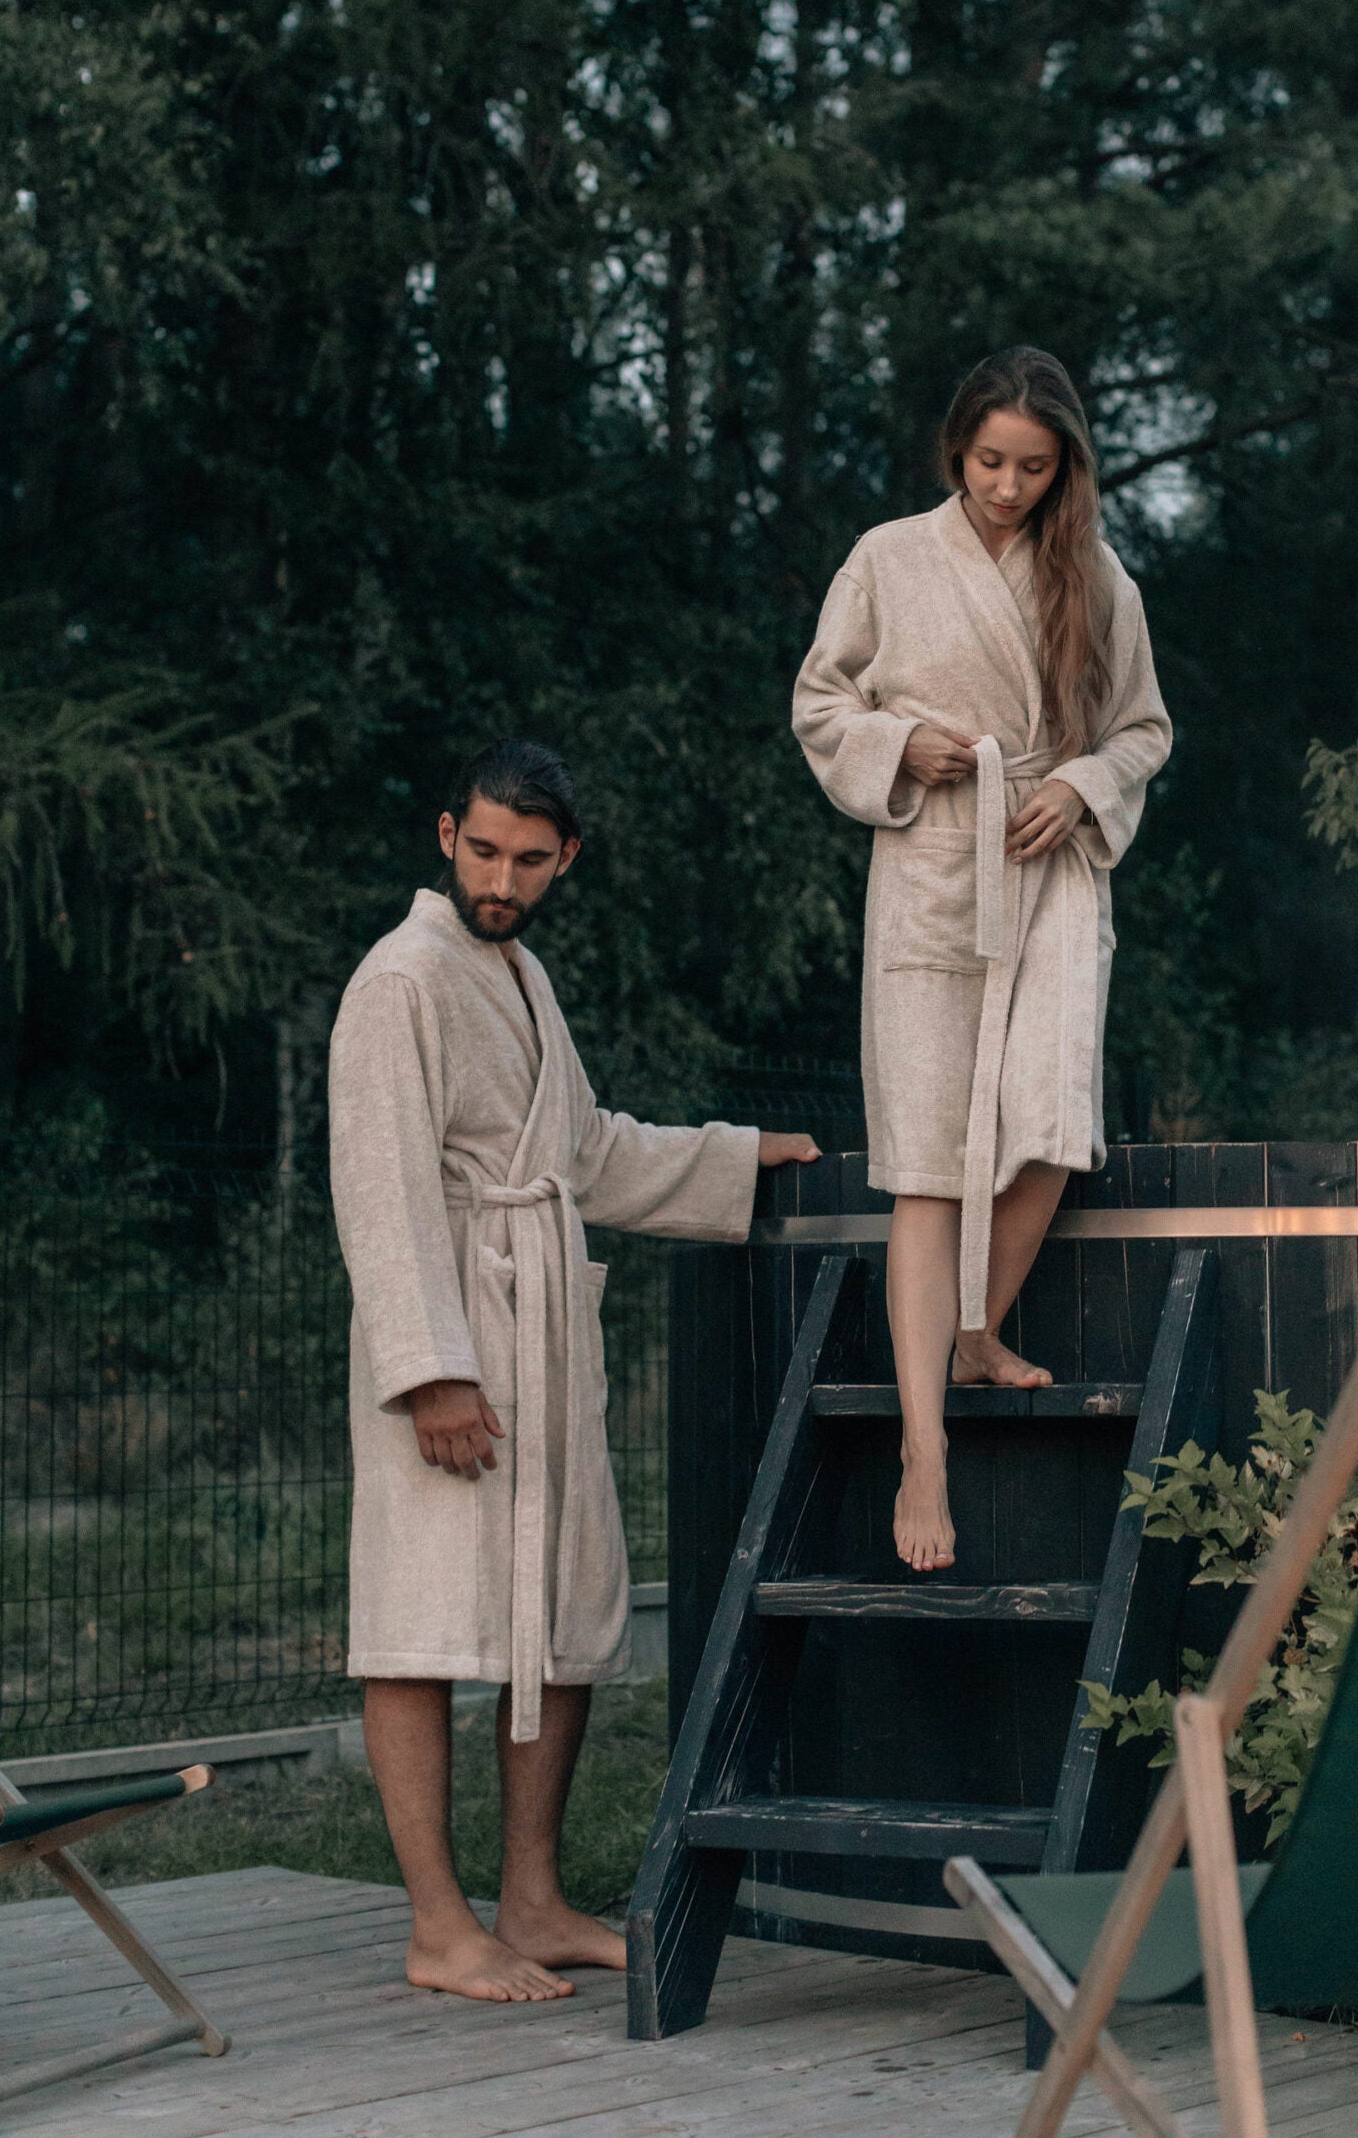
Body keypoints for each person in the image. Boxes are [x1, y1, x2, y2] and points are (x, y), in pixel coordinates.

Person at [329, 740, 818, 2004]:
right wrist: (430, 1372)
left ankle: (533, 1901)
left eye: (530, 859)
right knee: (422, 1618)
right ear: (448, 832)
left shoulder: (523, 974)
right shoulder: (402, 978)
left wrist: (739, 1154)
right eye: (484, 849)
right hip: (447, 1325)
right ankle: (440, 1923)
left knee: (560, 1606)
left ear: (566, 860)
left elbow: (586, 1151)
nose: (503, 875)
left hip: (542, 1330)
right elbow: (378, 1186)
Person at [792, 348, 1170, 1575]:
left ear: (1066, 469)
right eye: (991, 460)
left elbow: (1143, 729)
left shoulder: (1098, 576)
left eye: (1034, 467)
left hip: (1051, 870)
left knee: (1054, 1128)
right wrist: (904, 744)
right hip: (930, 869)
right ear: (956, 450)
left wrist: (1076, 782)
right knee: (924, 1165)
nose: (1009, 486)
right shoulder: (888, 558)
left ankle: (973, 1329)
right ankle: (924, 1444)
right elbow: (818, 702)